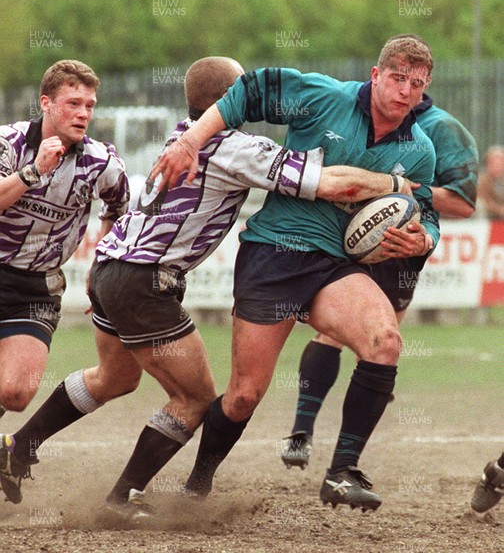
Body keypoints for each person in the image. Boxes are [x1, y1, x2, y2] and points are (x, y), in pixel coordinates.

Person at [0, 57, 413, 515]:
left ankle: (18, 447)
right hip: (143, 281)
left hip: (112, 269)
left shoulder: (183, 133)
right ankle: (123, 497)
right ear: (231, 100)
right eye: (245, 92)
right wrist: (393, 182)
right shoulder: (233, 147)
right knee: (195, 397)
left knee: (114, 378)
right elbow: (332, 185)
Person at [151, 35, 439, 512]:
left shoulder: (420, 149)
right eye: (397, 78)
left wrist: (423, 238)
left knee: (385, 341)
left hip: (335, 265)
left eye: (417, 83)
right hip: (275, 256)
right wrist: (189, 141)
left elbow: (425, 209)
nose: (405, 90)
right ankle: (198, 482)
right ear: (375, 74)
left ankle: (342, 472)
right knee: (244, 395)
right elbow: (249, 90)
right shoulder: (324, 96)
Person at [281, 91, 479, 470]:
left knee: (379, 347)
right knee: (330, 334)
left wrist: (393, 191)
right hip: (350, 239)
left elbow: (463, 204)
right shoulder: (359, 118)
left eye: (410, 83)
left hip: (398, 250)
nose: (397, 94)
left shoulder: (441, 128)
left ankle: (344, 458)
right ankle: (301, 432)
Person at [0, 60, 129, 420]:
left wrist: (100, 261)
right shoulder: (8, 143)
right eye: (73, 103)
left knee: (15, 392)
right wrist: (34, 171)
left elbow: (119, 206)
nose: (83, 113)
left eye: (89, 105)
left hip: (35, 287)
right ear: (46, 103)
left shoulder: (100, 162)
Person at [477, 145, 504, 219]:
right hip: (488, 218)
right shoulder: (481, 181)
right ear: (487, 164)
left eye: (501, 162)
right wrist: (500, 209)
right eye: (494, 162)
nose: (498, 166)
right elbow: (482, 201)